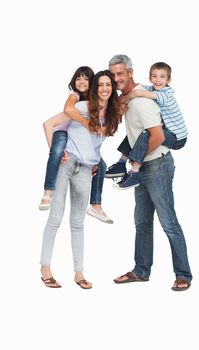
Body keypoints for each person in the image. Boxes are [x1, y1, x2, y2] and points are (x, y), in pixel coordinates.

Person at [108, 55, 192, 291]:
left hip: (157, 166)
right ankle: (141, 271)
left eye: (120, 74)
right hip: (144, 165)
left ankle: (184, 274)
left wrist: (136, 162)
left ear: (130, 72)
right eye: (112, 75)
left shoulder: (144, 101)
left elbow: (158, 137)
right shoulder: (131, 98)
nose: (116, 79)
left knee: (168, 222)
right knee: (142, 221)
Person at [40, 70, 120, 288]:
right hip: (66, 165)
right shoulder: (83, 108)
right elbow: (49, 123)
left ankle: (79, 273)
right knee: (55, 218)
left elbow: (96, 144)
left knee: (77, 223)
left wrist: (95, 161)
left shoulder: (112, 116)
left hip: (86, 170)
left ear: (113, 90)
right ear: (95, 88)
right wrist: (56, 153)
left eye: (109, 86)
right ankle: (45, 268)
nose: (104, 89)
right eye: (101, 85)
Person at [39, 66, 113, 224]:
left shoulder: (97, 105)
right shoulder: (76, 99)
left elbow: (95, 139)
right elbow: (62, 113)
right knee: (57, 152)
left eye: (86, 79)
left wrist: (91, 159)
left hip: (78, 142)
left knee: (101, 165)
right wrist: (56, 151)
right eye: (78, 78)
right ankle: (48, 191)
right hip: (62, 132)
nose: (81, 82)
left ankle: (96, 205)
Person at [105, 61, 188, 190]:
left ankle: (134, 171)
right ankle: (121, 163)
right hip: (167, 130)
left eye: (162, 76)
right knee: (137, 135)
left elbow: (140, 93)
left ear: (169, 79)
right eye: (154, 76)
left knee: (145, 134)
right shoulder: (152, 88)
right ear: (150, 78)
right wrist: (122, 99)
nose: (158, 80)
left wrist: (136, 156)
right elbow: (139, 88)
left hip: (177, 137)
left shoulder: (166, 93)